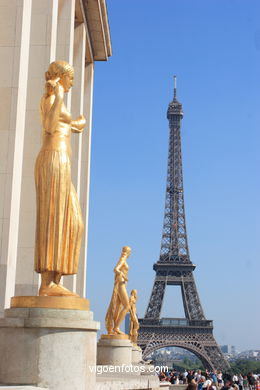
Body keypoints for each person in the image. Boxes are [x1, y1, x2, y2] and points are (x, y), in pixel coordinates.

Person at [34, 60, 86, 296]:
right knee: (53, 217)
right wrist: (59, 94)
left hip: (63, 162)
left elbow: (65, 124)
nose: (73, 83)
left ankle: (56, 277)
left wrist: (78, 124)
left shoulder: (57, 100)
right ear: (61, 78)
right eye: (71, 78)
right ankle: (47, 283)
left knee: (73, 222)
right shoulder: (51, 99)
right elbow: (50, 124)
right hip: (53, 159)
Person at [105, 246, 132, 334]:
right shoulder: (123, 258)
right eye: (129, 252)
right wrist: (124, 276)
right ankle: (116, 327)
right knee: (127, 306)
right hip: (121, 284)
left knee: (118, 306)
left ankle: (115, 327)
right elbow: (116, 269)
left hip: (122, 284)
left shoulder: (123, 259)